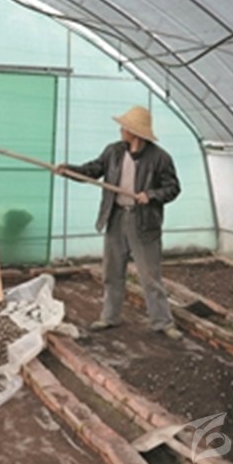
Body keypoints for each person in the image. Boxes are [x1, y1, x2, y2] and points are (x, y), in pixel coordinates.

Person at [57, 105, 183, 340]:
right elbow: (93, 170)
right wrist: (69, 171)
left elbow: (173, 188)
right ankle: (110, 317)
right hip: (115, 217)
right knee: (112, 272)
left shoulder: (160, 158)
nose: (121, 129)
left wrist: (151, 195)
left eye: (124, 126)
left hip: (144, 222)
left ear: (135, 131)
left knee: (150, 276)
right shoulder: (113, 152)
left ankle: (163, 322)